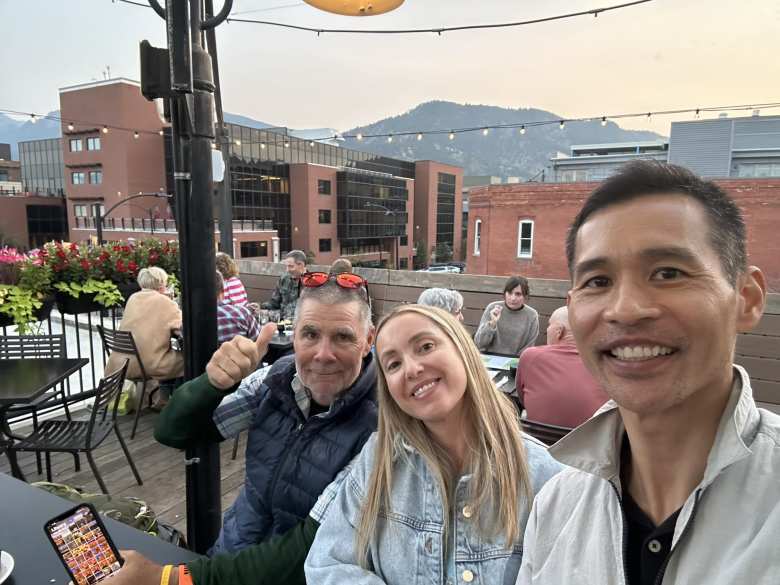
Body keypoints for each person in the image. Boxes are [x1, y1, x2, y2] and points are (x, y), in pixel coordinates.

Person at [517, 161, 775, 585]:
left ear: (746, 298)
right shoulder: (556, 506)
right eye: (598, 281)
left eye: (668, 273)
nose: (625, 309)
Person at [305, 304, 563, 584]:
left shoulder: (545, 477)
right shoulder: (379, 460)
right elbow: (326, 563)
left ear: (462, 348)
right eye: (393, 364)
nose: (412, 369)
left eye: (425, 347)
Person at [154, 271, 378, 555]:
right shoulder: (277, 379)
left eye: (343, 337)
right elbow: (173, 432)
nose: (323, 354)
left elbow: (307, 549)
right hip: (231, 550)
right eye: (310, 334)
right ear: (294, 334)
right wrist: (211, 385)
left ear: (369, 339)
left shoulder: (381, 422)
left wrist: (198, 576)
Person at [516, 306, 608, 427]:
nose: (547, 329)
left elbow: (522, 399)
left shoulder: (531, 356)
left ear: (559, 331)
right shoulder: (604, 362)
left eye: (549, 325)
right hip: (590, 443)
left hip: (539, 441)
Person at [105, 266, 184, 410]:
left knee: (162, 354)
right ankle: (174, 405)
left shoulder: (132, 298)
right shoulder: (165, 302)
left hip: (121, 365)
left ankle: (160, 399)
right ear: (161, 284)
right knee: (189, 360)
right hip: (147, 365)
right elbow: (182, 329)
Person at [474, 275, 539, 356]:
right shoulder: (492, 308)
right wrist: (492, 323)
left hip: (516, 362)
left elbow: (528, 347)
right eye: (509, 293)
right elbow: (479, 343)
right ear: (505, 293)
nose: (513, 298)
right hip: (489, 358)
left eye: (518, 294)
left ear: (525, 296)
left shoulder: (532, 315)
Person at [215, 270, 261, 344]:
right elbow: (258, 342)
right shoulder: (242, 314)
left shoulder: (191, 320)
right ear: (223, 293)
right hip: (237, 354)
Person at [262, 250, 306, 320]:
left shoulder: (311, 283)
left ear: (301, 265)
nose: (287, 270)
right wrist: (259, 306)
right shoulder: (284, 279)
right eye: (287, 266)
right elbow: (274, 303)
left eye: (291, 266)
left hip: (299, 321)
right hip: (281, 319)